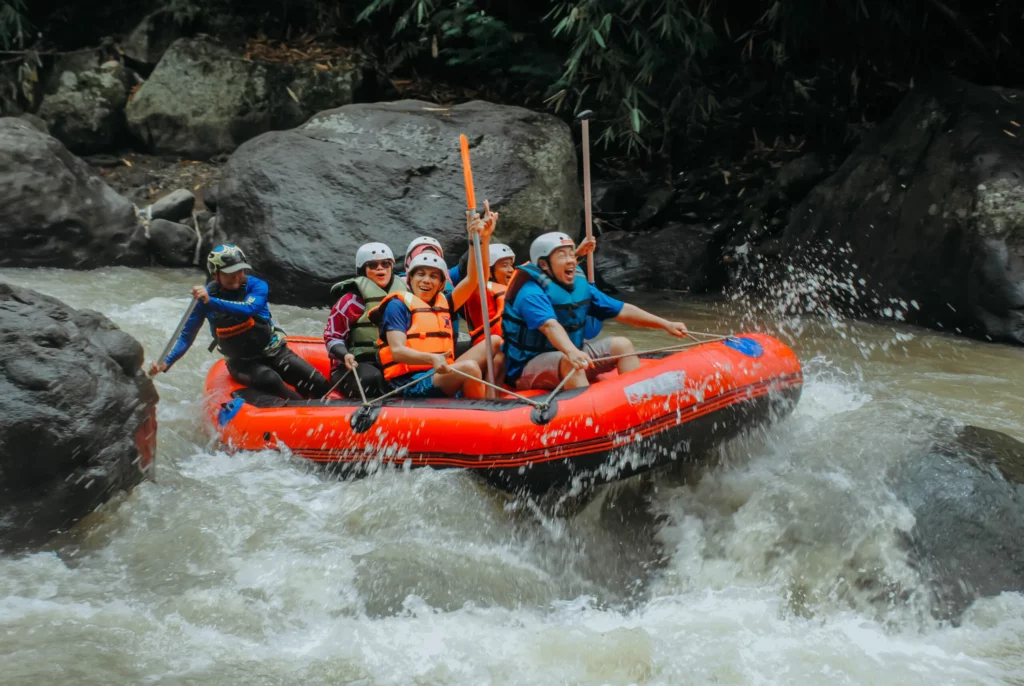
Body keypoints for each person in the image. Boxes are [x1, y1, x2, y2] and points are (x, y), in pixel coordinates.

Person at [502, 232, 688, 391]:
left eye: (571, 254)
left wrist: (666, 325)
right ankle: (590, 417)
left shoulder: (579, 286)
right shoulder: (530, 292)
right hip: (527, 367)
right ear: (543, 265)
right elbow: (549, 326)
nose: (571, 261)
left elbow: (622, 310)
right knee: (569, 361)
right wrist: (571, 352)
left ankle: (639, 404)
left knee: (622, 345)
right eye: (561, 255)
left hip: (571, 354)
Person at [149, 244, 332, 400]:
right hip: (241, 362)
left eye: (240, 270)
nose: (237, 275)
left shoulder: (256, 286)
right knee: (270, 380)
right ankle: (302, 407)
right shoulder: (205, 298)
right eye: (230, 272)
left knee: (318, 382)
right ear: (216, 274)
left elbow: (248, 309)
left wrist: (210, 301)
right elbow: (186, 337)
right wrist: (167, 362)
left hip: (274, 351)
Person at [370, 213, 503, 398]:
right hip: (409, 382)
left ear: (441, 284)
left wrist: (480, 238)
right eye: (421, 274)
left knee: (495, 341)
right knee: (470, 368)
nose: (426, 280)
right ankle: (484, 412)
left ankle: (492, 401)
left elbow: (474, 279)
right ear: (410, 278)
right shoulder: (397, 306)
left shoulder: (445, 303)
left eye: (433, 276)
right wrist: (432, 359)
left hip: (438, 371)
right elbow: (398, 352)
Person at [324, 242, 405, 399]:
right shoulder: (349, 302)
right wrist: (344, 354)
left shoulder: (405, 297)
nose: (380, 268)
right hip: (353, 366)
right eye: (373, 265)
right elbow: (332, 337)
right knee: (371, 378)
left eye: (385, 264)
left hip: (391, 360)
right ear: (363, 270)